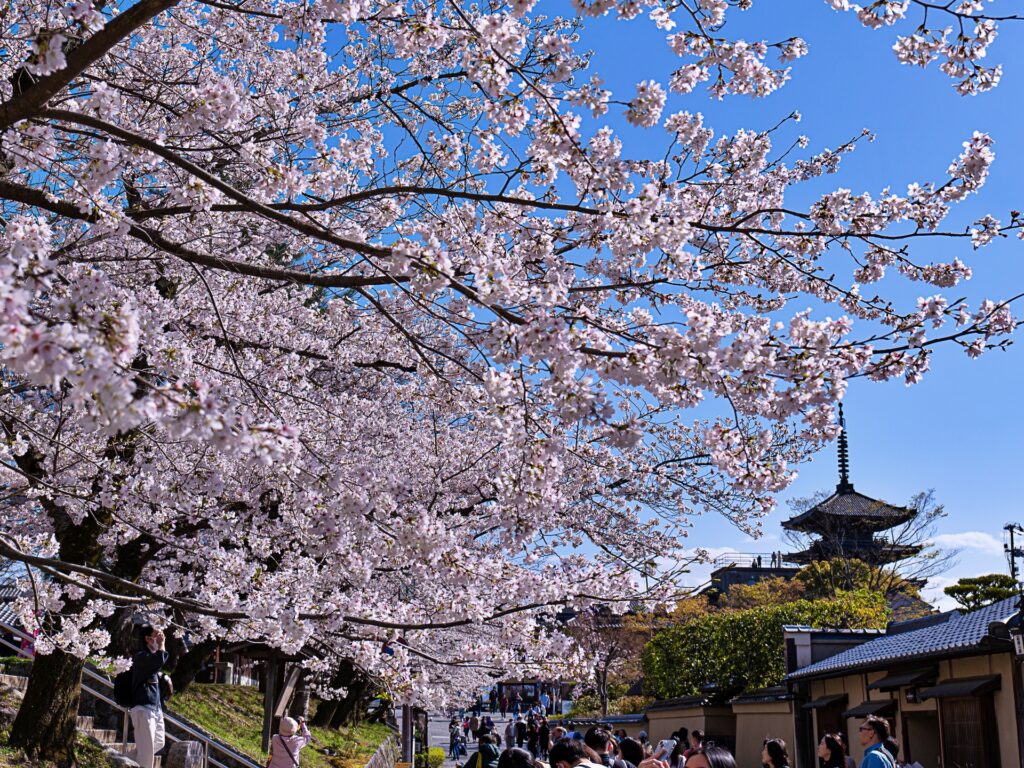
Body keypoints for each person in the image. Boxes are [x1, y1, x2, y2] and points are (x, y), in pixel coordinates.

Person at [129, 624, 168, 768]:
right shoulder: (141, 657)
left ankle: (120, 759)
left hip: (155, 709)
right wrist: (162, 644)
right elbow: (160, 659)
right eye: (157, 635)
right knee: (147, 754)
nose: (161, 637)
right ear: (148, 639)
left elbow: (160, 659)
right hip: (143, 709)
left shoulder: (150, 658)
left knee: (158, 743)